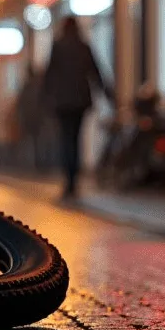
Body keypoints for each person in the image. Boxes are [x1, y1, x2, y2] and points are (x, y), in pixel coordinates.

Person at [41, 16, 111, 199]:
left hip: (63, 103)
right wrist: (107, 93)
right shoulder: (83, 47)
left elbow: (49, 74)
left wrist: (46, 97)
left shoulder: (58, 47)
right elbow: (95, 71)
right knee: (76, 139)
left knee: (66, 140)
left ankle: (69, 181)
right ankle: (74, 180)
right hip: (80, 102)